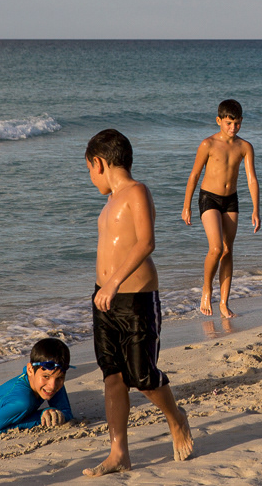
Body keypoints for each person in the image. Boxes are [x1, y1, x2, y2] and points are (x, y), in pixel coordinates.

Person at [83, 129, 193, 475]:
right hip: (104, 299)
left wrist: (114, 282)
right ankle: (119, 453)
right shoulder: (108, 204)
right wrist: (105, 287)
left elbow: (146, 242)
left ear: (99, 163)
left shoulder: (136, 192)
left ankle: (176, 418)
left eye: (89, 168)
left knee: (142, 375)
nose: (90, 177)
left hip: (135, 298)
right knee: (113, 376)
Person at [181, 99, 260, 318]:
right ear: (219, 121)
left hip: (231, 200)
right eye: (228, 123)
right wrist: (186, 206)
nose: (232, 128)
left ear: (241, 121)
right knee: (216, 248)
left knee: (227, 250)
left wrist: (256, 209)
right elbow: (195, 175)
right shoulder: (208, 144)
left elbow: (252, 179)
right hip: (209, 199)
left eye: (236, 123)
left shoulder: (245, 147)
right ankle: (207, 288)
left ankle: (224, 303)